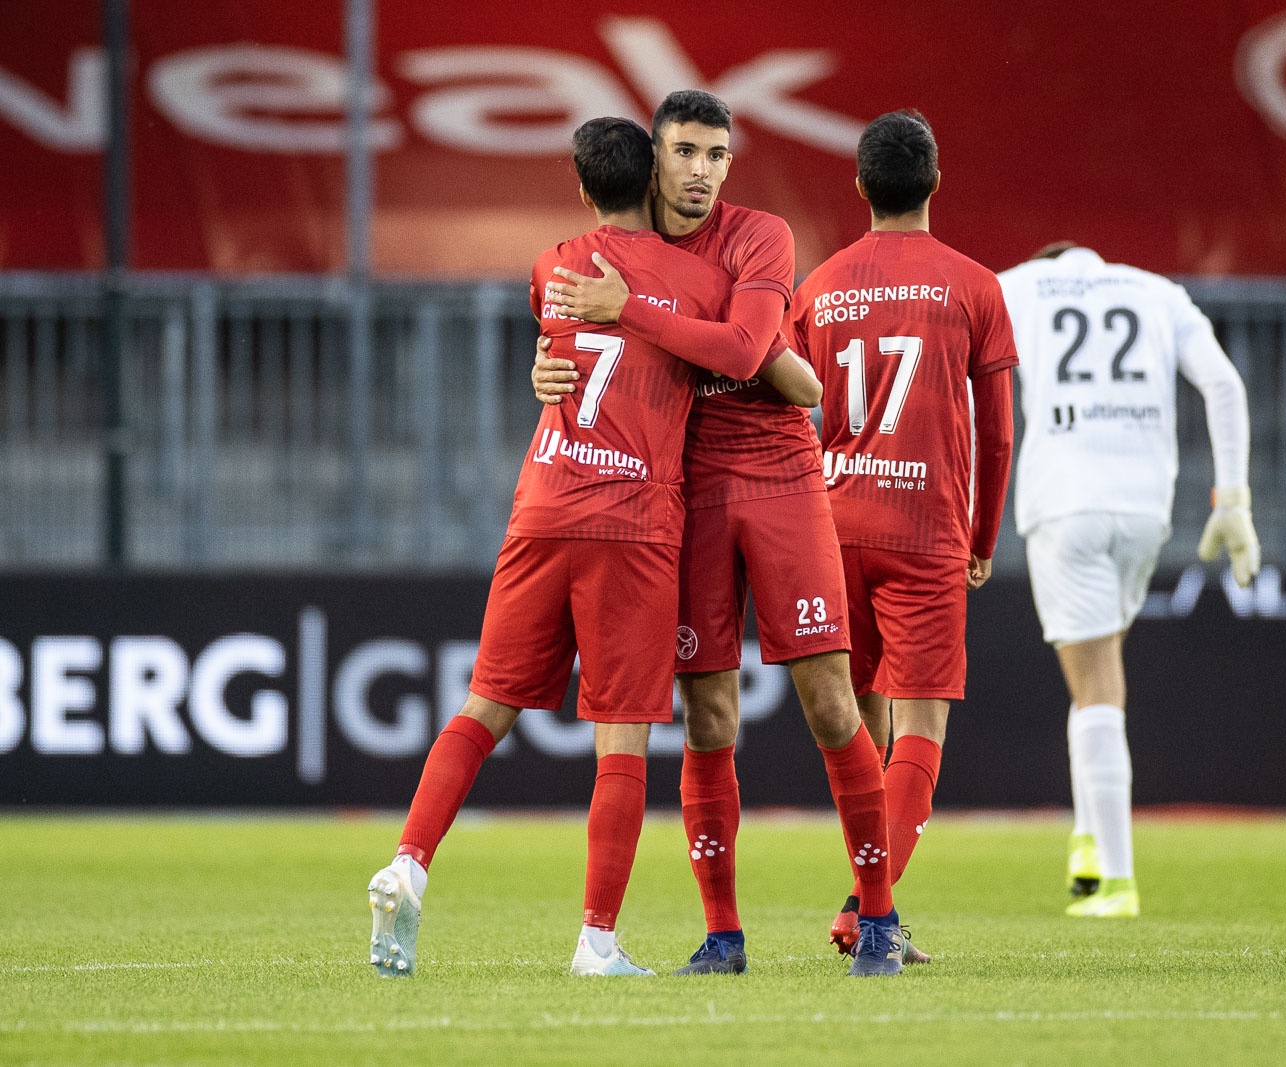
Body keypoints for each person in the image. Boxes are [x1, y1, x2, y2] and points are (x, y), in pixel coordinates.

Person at [365, 116, 772, 980]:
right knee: (621, 734)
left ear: (583, 188)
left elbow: (562, 346)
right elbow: (740, 354)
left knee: (484, 706)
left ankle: (408, 859)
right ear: (652, 178)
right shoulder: (702, 281)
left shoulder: (551, 263)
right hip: (634, 517)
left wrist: (545, 365)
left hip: (545, 500)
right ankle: (596, 940)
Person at [534, 90, 902, 977]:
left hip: (780, 478)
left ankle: (879, 915)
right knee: (707, 716)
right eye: (686, 152)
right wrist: (544, 369)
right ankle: (724, 934)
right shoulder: (618, 252)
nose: (702, 171)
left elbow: (742, 352)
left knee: (829, 699)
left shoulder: (760, 235)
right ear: (653, 158)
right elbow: (583, 348)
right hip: (685, 490)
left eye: (717, 155)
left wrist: (632, 309)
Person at [787, 110, 1017, 953]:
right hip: (924, 528)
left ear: (860, 186)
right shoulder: (974, 285)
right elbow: (997, 433)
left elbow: (788, 417)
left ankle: (873, 908)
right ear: (936, 182)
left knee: (864, 727)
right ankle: (865, 910)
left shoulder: (817, 288)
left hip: (831, 522)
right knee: (920, 730)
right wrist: (982, 536)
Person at [997, 241, 1259, 917]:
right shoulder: (1157, 290)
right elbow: (1224, 385)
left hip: (1066, 505)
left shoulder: (1021, 285)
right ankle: (1087, 840)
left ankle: (1117, 880)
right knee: (1097, 672)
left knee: (1096, 687)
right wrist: (1233, 499)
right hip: (1146, 510)